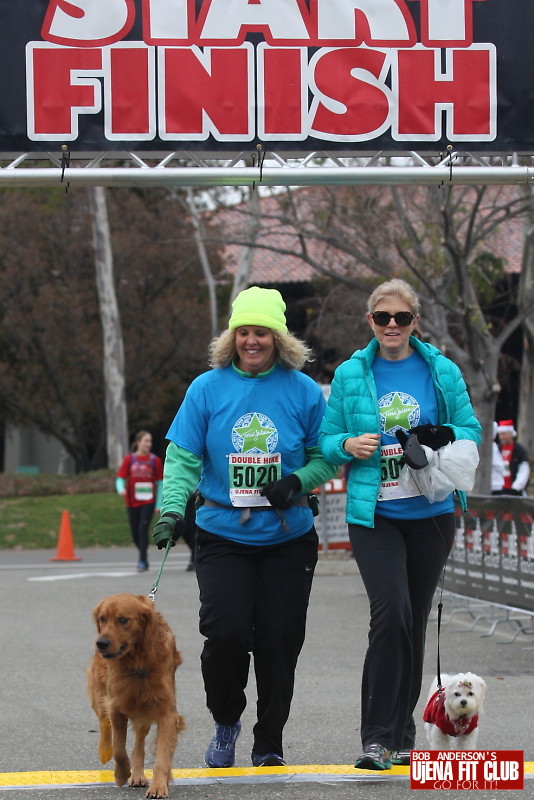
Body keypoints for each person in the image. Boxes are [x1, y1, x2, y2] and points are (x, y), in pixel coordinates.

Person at [152, 286, 337, 769]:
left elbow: (325, 457)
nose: (252, 341)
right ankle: (226, 720)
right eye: (243, 332)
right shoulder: (206, 388)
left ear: (279, 338)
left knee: (279, 641)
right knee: (226, 636)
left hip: (288, 537)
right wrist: (171, 510)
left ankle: (269, 739)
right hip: (221, 534)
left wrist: (296, 481)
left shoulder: (302, 390)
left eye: (262, 332)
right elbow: (182, 458)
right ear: (232, 337)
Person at [318, 278, 482, 771]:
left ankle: (404, 732)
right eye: (383, 317)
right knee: (390, 616)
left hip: (431, 515)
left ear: (415, 322)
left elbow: (470, 429)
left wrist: (436, 435)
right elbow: (326, 440)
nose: (392, 325)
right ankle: (377, 738)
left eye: (402, 317)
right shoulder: (351, 373)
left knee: (412, 622)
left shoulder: (441, 370)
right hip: (376, 516)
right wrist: (347, 446)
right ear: (370, 321)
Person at [116, 430, 163, 571]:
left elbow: (160, 483)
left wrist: (159, 503)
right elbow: (120, 478)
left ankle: (142, 560)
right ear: (138, 443)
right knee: (135, 533)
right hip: (132, 501)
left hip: (148, 501)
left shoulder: (155, 461)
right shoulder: (129, 460)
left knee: (143, 528)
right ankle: (143, 553)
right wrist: (121, 489)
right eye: (146, 441)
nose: (149, 444)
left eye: (150, 441)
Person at [496, 419, 530, 495]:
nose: (501, 437)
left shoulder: (519, 450)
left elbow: (524, 469)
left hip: (514, 490)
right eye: (500, 434)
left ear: (511, 434)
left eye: (504, 434)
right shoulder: (497, 449)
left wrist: (517, 487)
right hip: (499, 488)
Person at [491, 421, 505, 494]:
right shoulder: (493, 446)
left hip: (495, 483)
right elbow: (499, 465)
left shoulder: (493, 446)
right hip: (495, 483)